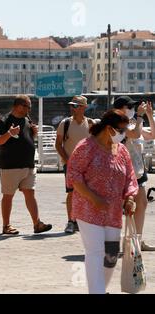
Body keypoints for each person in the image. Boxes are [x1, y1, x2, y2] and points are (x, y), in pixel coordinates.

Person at [67, 109, 138, 294]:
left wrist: (130, 197)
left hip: (113, 211)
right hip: (88, 208)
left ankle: (100, 289)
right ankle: (96, 291)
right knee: (95, 252)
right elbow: (74, 176)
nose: (123, 134)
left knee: (111, 256)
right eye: (121, 130)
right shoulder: (85, 147)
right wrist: (94, 198)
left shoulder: (121, 150)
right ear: (109, 128)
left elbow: (130, 176)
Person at [0, 95, 52, 235]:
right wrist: (9, 133)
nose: (29, 109)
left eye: (29, 106)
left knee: (30, 193)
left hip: (28, 165)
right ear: (17, 106)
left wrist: (34, 133)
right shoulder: (4, 121)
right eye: (26, 106)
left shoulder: (27, 119)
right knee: (8, 195)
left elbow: (26, 138)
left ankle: (37, 224)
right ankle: (6, 225)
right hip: (10, 165)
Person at [114, 96, 155, 252]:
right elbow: (136, 134)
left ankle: (137, 240)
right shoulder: (117, 125)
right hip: (123, 173)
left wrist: (149, 115)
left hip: (138, 171)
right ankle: (122, 242)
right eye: (129, 107)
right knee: (122, 208)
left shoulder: (134, 123)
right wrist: (139, 116)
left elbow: (152, 134)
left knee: (142, 204)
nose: (132, 109)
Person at [56, 96, 95, 234]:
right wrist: (67, 160)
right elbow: (58, 144)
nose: (72, 108)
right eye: (72, 105)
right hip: (71, 165)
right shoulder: (65, 123)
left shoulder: (91, 124)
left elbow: (96, 144)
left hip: (88, 166)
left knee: (87, 193)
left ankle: (83, 221)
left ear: (84, 107)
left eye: (76, 106)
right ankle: (71, 221)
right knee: (72, 193)